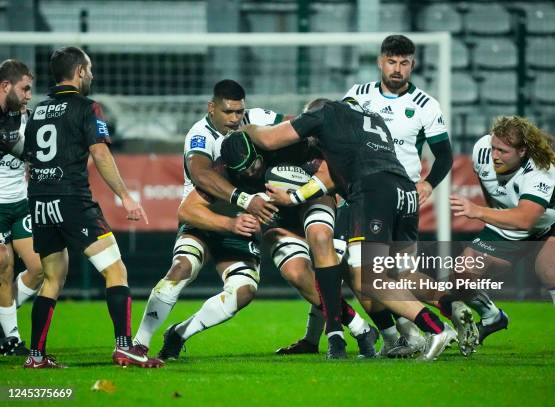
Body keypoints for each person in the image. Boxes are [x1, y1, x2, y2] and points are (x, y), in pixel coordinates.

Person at [244, 98, 459, 361]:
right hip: (405, 191)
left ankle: (435, 328)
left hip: (372, 191)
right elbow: (329, 177)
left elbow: (269, 140)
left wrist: (247, 128)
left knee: (366, 277)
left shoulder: (323, 114)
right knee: (398, 273)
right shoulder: (373, 120)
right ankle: (450, 307)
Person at [279, 34, 454, 356]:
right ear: (380, 61)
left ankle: (432, 324)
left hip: (392, 195)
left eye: (404, 63)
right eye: (392, 61)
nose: (397, 69)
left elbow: (444, 155)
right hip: (367, 195)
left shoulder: (426, 105)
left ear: (413, 65)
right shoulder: (357, 96)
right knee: (362, 269)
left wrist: (429, 183)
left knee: (373, 273)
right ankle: (423, 326)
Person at [22, 46, 162, 368]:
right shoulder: (88, 108)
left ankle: (36, 355)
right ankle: (124, 347)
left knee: (52, 278)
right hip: (73, 201)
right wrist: (126, 197)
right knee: (116, 269)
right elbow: (100, 154)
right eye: (91, 69)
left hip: (40, 202)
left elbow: (29, 159)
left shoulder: (38, 111)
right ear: (81, 72)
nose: (93, 75)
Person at [133, 80, 281, 359]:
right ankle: (139, 343)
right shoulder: (200, 134)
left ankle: (179, 333)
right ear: (211, 108)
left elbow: (290, 126)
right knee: (181, 268)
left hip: (240, 225)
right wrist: (245, 201)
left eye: (239, 112)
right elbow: (201, 174)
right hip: (202, 219)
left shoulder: (256, 118)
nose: (235, 119)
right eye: (228, 112)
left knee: (244, 291)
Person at [220, 131, 379, 358]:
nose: (250, 172)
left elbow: (331, 168)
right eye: (242, 170)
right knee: (298, 274)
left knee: (354, 276)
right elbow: (192, 206)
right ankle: (359, 327)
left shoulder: (288, 145)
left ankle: (396, 333)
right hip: (279, 222)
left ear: (259, 151)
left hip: (313, 203)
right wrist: (233, 216)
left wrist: (299, 193)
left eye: (253, 164)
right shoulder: (224, 174)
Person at [449, 116, 555, 358]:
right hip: (507, 224)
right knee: (460, 274)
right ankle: (492, 317)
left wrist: (479, 212)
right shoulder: (482, 150)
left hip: (547, 225)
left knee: (550, 270)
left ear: (522, 151)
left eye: (503, 151)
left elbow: (527, 219)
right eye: (494, 147)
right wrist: (492, 213)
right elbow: (489, 189)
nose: (495, 155)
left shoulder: (540, 171)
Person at [0, 59, 42, 356]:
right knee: (3, 263)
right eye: (25, 89)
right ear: (5, 86)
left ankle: (3, 320)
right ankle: (11, 336)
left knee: (40, 268)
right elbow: (20, 149)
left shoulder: (26, 117)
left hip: (20, 202)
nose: (29, 95)